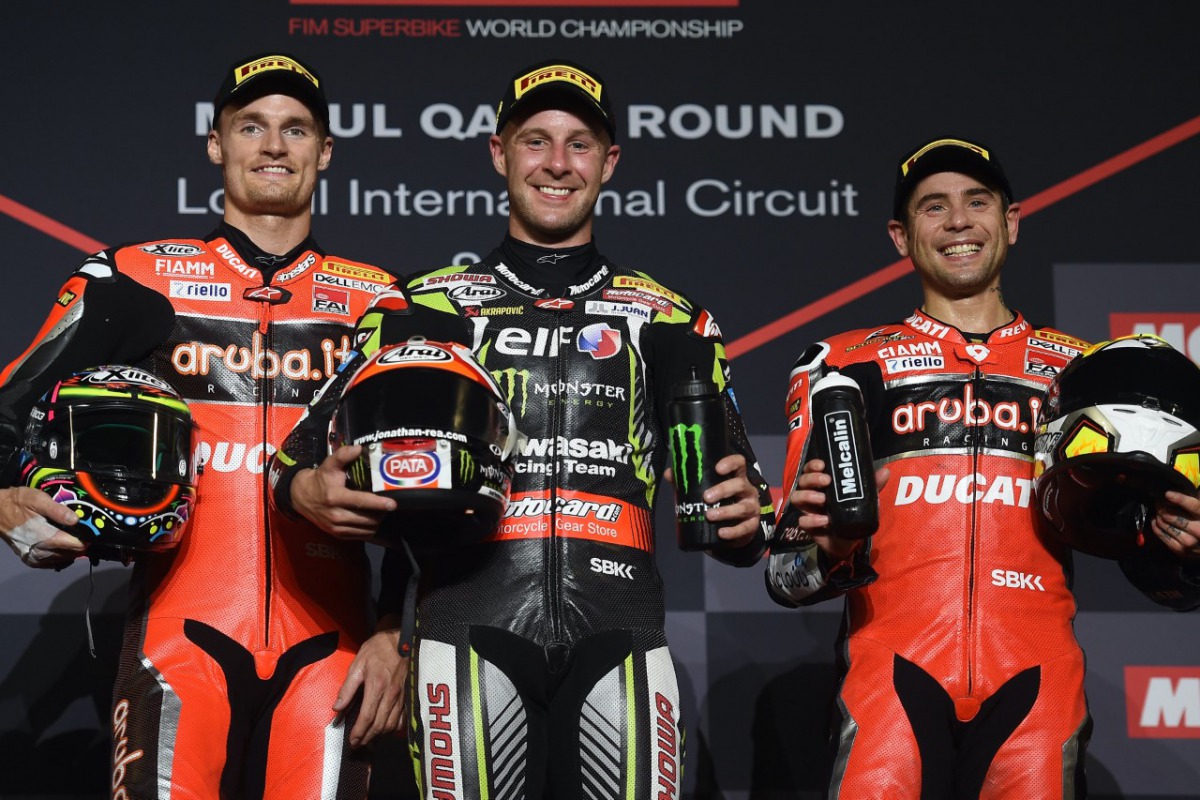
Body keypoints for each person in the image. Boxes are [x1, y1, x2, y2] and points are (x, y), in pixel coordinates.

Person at [269, 58, 776, 798]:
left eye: (579, 144)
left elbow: (749, 514)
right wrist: (300, 489)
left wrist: (746, 518)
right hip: (468, 627)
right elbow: (296, 456)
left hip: (623, 632)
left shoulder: (671, 318)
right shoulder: (424, 309)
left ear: (610, 162)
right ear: (499, 154)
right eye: (536, 141)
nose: (558, 164)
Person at [0, 52, 405, 797]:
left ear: (326, 150)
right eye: (251, 126)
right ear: (216, 144)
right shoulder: (134, 277)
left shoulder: (382, 303)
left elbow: (427, 491)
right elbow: (7, 412)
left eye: (296, 129)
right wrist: (5, 501)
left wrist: (392, 633)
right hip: (177, 635)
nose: (274, 146)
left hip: (335, 649)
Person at [766, 137, 1094, 798]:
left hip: (1039, 684)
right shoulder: (842, 365)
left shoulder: (1081, 372)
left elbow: (1164, 565)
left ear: (1011, 221)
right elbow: (785, 575)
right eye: (932, 207)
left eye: (978, 202)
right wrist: (828, 550)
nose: (958, 222)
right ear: (900, 236)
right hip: (890, 677)